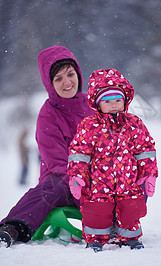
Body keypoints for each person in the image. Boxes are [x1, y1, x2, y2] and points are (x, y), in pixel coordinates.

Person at [0, 45, 94, 248]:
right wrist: (82, 183)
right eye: (58, 79)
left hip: (99, 179)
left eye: (70, 74)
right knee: (50, 188)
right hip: (65, 181)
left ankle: (123, 225)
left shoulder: (93, 105)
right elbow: (57, 162)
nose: (67, 82)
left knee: (129, 181)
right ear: (50, 84)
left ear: (78, 73)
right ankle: (12, 228)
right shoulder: (48, 114)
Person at [67, 68, 158, 252]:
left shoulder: (134, 124)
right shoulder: (90, 125)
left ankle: (130, 237)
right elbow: (79, 152)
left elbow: (145, 149)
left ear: (125, 101)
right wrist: (77, 175)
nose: (114, 105)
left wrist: (149, 174)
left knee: (131, 208)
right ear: (98, 104)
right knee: (97, 209)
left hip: (128, 181)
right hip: (99, 182)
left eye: (118, 100)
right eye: (108, 102)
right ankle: (95, 238)